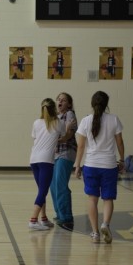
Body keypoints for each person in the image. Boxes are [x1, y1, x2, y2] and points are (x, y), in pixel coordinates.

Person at [74, 91, 125, 244]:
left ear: (92, 103)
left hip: (91, 165)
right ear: (106, 103)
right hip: (109, 165)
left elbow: (81, 146)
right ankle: (105, 224)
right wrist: (122, 160)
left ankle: (95, 233)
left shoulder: (85, 121)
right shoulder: (114, 119)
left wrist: (77, 165)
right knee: (108, 198)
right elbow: (120, 143)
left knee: (92, 199)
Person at [29, 98, 66, 231]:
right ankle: (33, 220)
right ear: (53, 109)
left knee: (41, 190)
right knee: (43, 191)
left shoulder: (36, 123)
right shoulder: (58, 123)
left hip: (34, 160)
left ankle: (43, 218)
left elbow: (36, 138)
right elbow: (63, 137)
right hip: (46, 161)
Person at [50, 92, 77, 230]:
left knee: (60, 185)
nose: (60, 101)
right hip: (55, 154)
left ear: (69, 104)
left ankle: (67, 217)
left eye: (64, 100)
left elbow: (68, 136)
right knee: (53, 185)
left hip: (66, 153)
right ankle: (59, 214)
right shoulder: (55, 117)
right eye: (58, 99)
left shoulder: (69, 115)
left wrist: (55, 139)